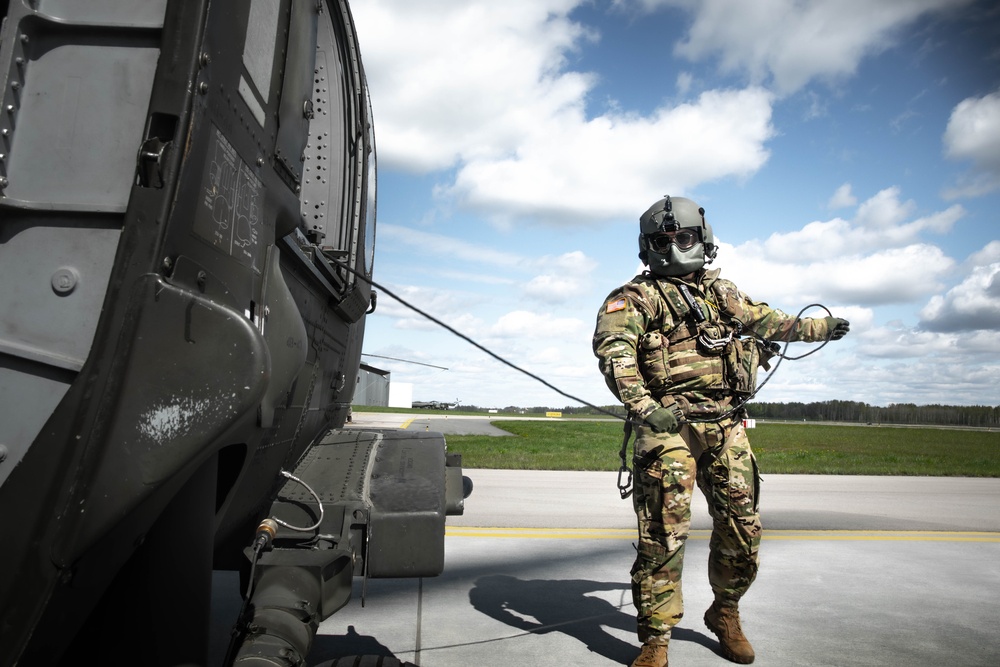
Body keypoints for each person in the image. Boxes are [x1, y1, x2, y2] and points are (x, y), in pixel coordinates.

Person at [592, 195, 849, 667]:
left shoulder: (723, 292)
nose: (673, 248)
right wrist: (647, 408)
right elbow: (616, 355)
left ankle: (725, 612)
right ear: (646, 247)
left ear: (703, 241)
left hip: (727, 424)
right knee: (662, 535)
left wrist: (819, 328)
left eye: (683, 238)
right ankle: (656, 638)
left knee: (742, 529)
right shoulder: (633, 298)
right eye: (661, 241)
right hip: (669, 427)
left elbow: (768, 320)